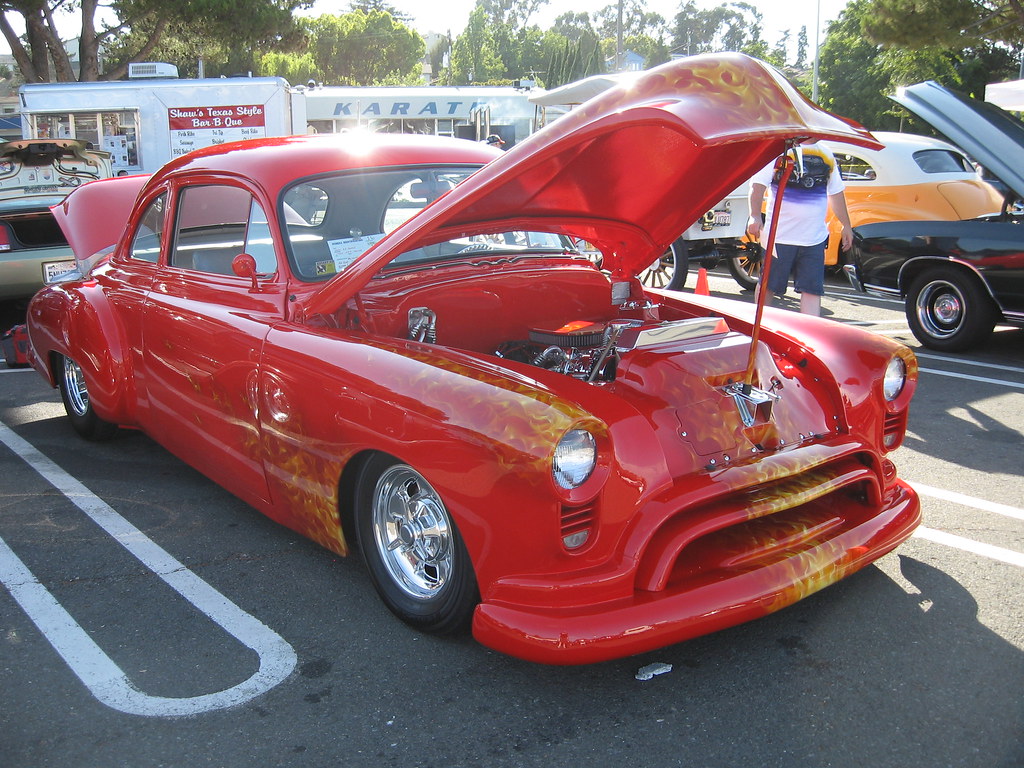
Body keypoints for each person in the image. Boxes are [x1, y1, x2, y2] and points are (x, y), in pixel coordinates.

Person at [746, 141, 853, 316]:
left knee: (812, 290)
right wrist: (755, 215)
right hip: (779, 237)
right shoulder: (779, 150)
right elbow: (757, 185)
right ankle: (758, 328)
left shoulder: (826, 154)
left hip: (814, 239)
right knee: (769, 285)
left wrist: (846, 225)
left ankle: (807, 338)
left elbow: (835, 193)